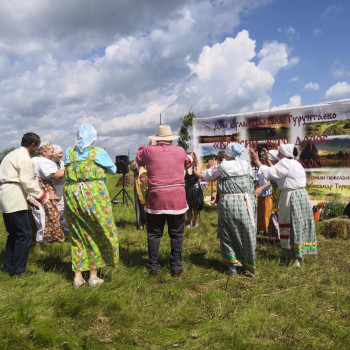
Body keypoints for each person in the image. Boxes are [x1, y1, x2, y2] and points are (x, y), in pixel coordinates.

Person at [64, 123, 119, 288]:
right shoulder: (98, 152)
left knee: (77, 233)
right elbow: (113, 170)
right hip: (93, 195)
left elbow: (68, 168)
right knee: (97, 231)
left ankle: (78, 277)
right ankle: (93, 276)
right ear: (93, 137)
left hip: (72, 195)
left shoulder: (69, 152)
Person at [136, 125, 191, 276]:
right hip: (177, 197)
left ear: (157, 138)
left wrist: (149, 148)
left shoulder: (148, 151)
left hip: (156, 197)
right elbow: (188, 163)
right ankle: (176, 266)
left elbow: (138, 160)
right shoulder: (180, 150)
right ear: (170, 139)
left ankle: (153, 266)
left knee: (154, 233)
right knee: (177, 234)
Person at [249, 144, 317, 267]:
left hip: (291, 196)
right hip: (301, 195)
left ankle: (295, 257)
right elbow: (276, 173)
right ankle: (298, 254)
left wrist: (257, 161)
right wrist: (267, 160)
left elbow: (270, 173)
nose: (278, 155)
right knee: (298, 224)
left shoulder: (285, 162)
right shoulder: (296, 163)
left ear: (284, 154)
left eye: (280, 153)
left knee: (291, 223)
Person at [0, 133, 52, 276]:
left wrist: (29, 199)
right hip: (14, 195)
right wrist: (44, 196)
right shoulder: (24, 157)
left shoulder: (10, 155)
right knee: (25, 234)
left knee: (14, 234)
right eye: (37, 146)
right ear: (33, 145)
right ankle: (18, 270)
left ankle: (8, 266)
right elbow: (27, 182)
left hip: (5, 194)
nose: (36, 150)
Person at [205, 142, 257, 276]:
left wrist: (212, 167)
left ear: (227, 153)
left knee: (227, 233)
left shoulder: (223, 166)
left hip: (229, 202)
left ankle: (232, 266)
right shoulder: (246, 165)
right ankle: (248, 264)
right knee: (246, 232)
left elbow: (208, 176)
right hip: (247, 202)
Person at [32, 142, 65, 243]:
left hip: (33, 188)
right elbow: (54, 175)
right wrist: (69, 168)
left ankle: (38, 239)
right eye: (51, 151)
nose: (52, 154)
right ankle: (51, 237)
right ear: (44, 151)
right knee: (51, 212)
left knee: (37, 214)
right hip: (44, 188)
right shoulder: (43, 161)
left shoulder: (33, 159)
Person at [255, 149, 279, 234]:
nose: (263, 157)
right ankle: (261, 229)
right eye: (262, 156)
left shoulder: (271, 168)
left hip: (268, 194)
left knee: (267, 212)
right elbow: (260, 178)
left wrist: (261, 188)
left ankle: (268, 230)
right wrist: (256, 185)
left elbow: (271, 181)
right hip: (261, 194)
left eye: (264, 156)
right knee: (260, 212)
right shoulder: (262, 167)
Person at [52, 144, 68, 236]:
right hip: (55, 188)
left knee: (63, 208)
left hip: (62, 187)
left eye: (62, 153)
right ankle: (57, 230)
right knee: (57, 208)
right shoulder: (50, 163)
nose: (61, 155)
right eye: (59, 153)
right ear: (53, 153)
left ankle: (64, 230)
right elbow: (55, 176)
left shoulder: (62, 163)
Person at [130, 146, 148, 230]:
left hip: (149, 186)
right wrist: (137, 159)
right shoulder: (137, 163)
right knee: (139, 205)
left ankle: (150, 222)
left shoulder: (149, 162)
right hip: (138, 187)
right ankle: (140, 223)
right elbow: (132, 167)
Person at [185, 152, 204, 228]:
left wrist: (193, 168)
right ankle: (190, 223)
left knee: (196, 207)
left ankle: (196, 223)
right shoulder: (185, 167)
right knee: (188, 207)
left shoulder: (197, 166)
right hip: (187, 189)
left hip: (196, 188)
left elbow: (198, 176)